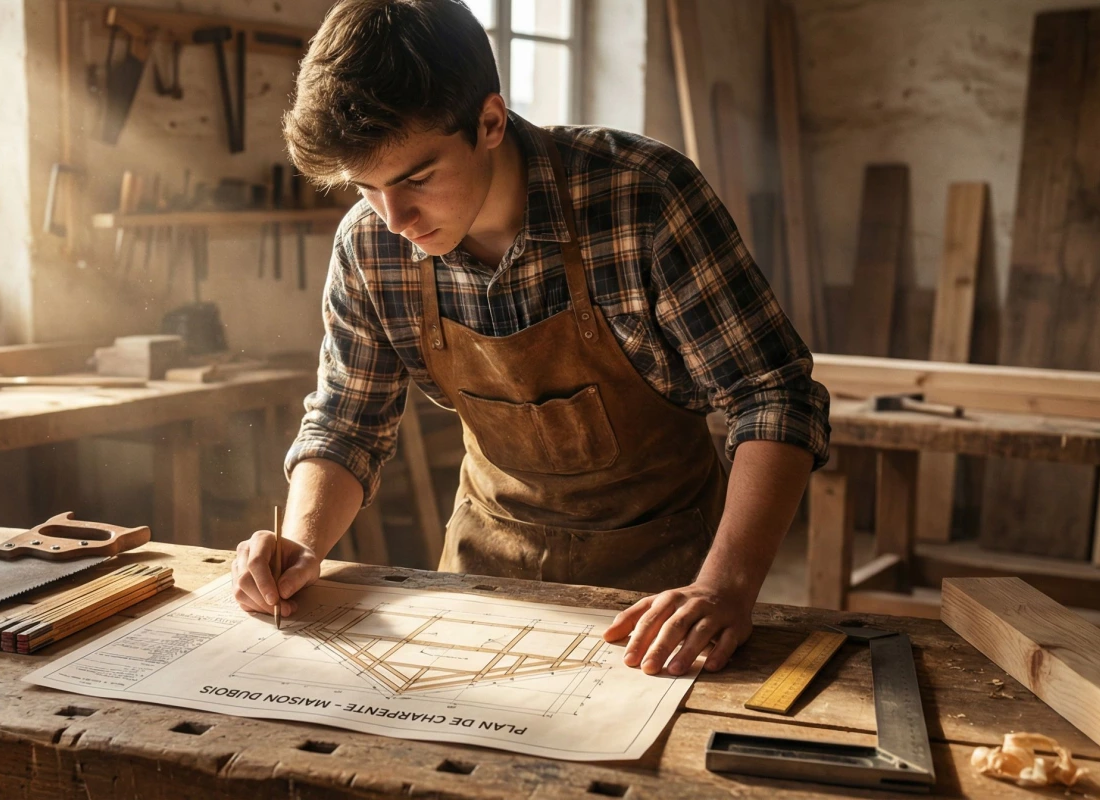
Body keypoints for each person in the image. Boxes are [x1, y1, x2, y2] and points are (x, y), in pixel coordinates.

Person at [232, 0, 829, 677]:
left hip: (665, 584)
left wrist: (726, 587)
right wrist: (301, 543)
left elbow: (774, 396)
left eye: (416, 179)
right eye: (365, 187)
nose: (393, 217)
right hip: (485, 570)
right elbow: (347, 423)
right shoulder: (371, 246)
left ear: (488, 122)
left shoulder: (642, 199)